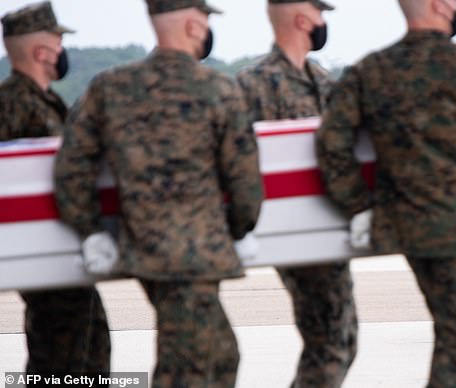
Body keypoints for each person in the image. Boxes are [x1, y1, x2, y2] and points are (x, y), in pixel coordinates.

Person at [53, 0, 263, 386]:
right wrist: (238, 229)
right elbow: (245, 179)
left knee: (221, 354)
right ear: (193, 26)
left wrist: (92, 231)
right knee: (187, 366)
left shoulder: (110, 87)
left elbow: (71, 167)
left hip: (144, 247)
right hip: (199, 251)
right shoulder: (217, 89)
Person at [316, 0, 456, 386]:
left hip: (409, 226)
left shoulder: (370, 72)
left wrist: (358, 204)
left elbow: (331, 144)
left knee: (454, 337)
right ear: (440, 6)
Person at [236, 1, 358, 387]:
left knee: (339, 338)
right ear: (303, 20)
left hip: (325, 225)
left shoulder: (321, 80)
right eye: (320, 15)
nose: (324, 24)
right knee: (332, 338)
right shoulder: (250, 84)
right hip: (289, 230)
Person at [0, 1, 111, 378]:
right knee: (59, 363)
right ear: (40, 52)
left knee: (88, 350)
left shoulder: (45, 102)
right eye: (58, 43)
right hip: (41, 260)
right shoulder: (13, 103)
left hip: (59, 256)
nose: (63, 52)